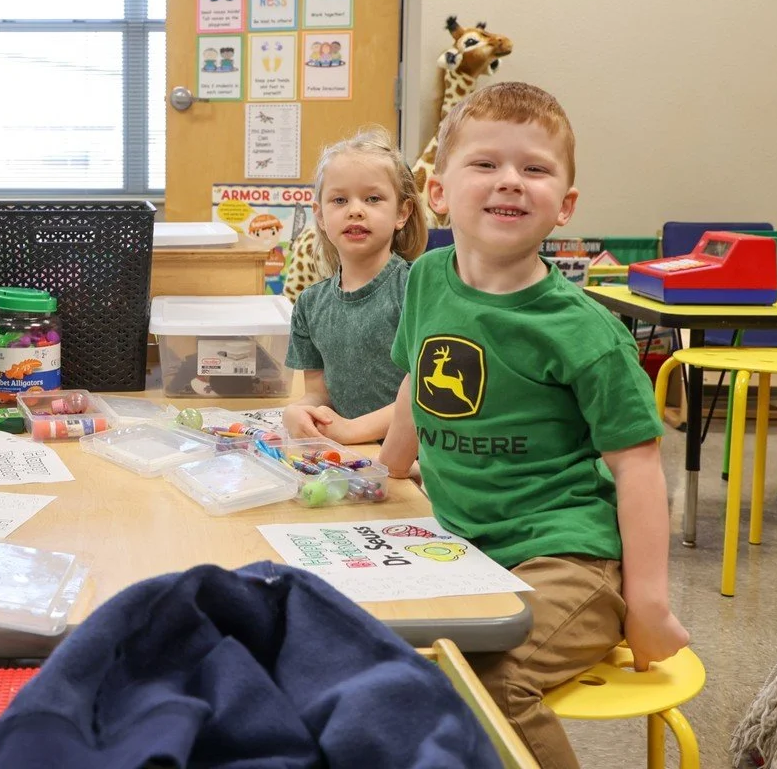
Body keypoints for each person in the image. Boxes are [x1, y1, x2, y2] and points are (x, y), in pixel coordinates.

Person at [380, 82, 688, 768]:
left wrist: (648, 603)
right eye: (486, 164)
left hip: (570, 557)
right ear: (437, 190)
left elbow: (638, 468)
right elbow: (415, 383)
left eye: (535, 169)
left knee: (491, 682)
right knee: (377, 651)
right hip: (465, 546)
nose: (510, 182)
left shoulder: (585, 332)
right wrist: (384, 472)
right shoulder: (428, 279)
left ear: (565, 206)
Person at [282, 126, 426, 445]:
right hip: (352, 457)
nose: (356, 210)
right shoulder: (309, 305)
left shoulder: (417, 288)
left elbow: (427, 393)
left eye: (373, 198)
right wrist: (298, 412)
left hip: (417, 462)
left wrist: (353, 430)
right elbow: (319, 394)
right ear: (320, 215)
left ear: (402, 212)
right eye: (339, 199)